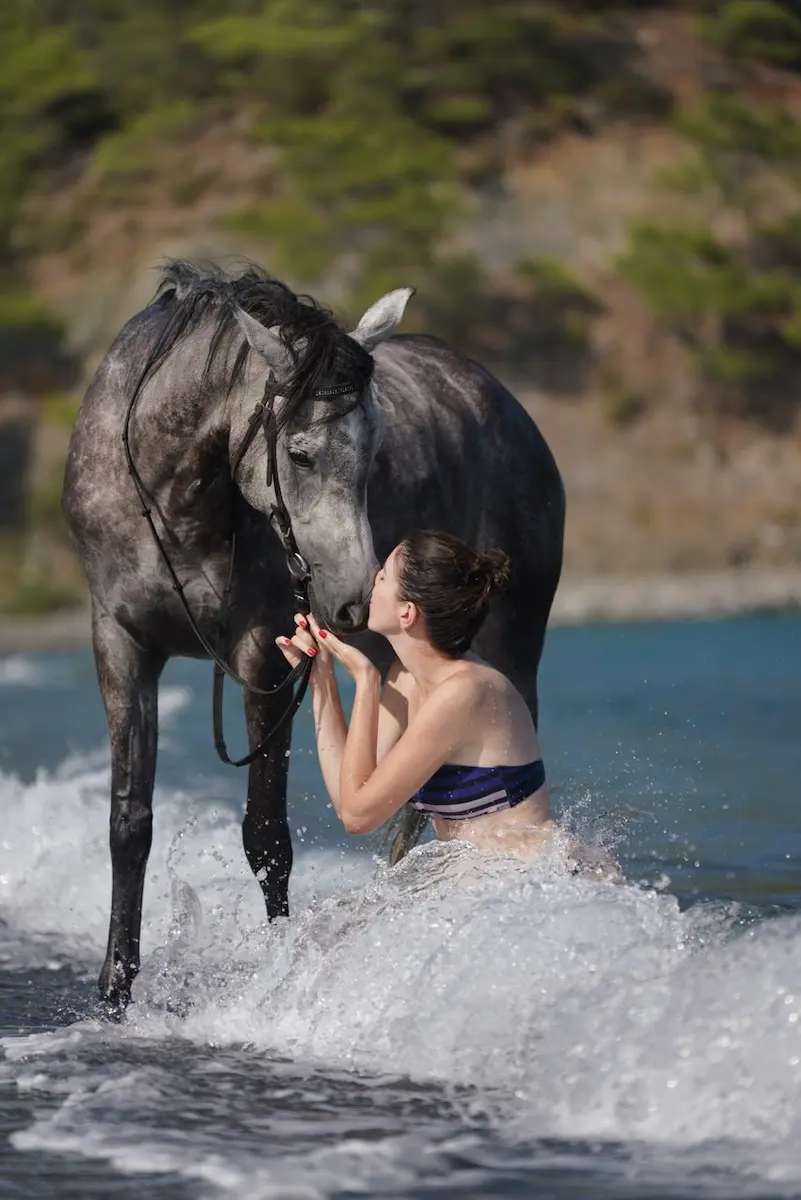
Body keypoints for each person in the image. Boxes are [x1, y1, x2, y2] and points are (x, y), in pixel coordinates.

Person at [277, 529, 617, 875]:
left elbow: (358, 817)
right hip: (488, 886)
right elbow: (350, 800)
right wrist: (322, 680)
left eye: (384, 577)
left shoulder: (465, 691)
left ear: (407, 613)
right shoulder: (405, 678)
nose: (372, 578)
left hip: (548, 882)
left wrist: (366, 682)